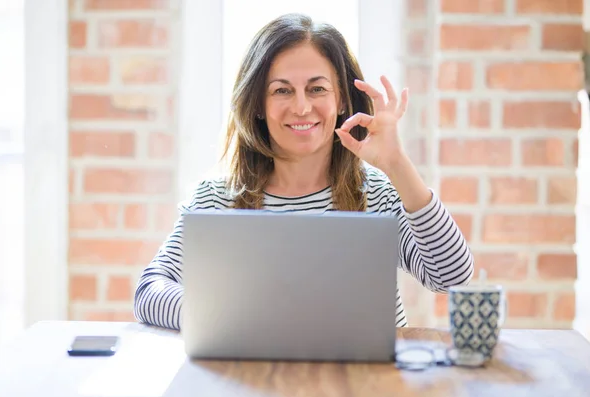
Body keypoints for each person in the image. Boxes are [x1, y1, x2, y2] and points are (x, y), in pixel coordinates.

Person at [133, 13, 474, 331]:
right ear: (258, 106)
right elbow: (150, 292)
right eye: (282, 90)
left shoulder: (377, 194)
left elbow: (452, 277)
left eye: (317, 89)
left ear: (341, 100)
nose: (301, 107)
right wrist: (234, 315)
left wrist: (397, 163)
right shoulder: (217, 197)